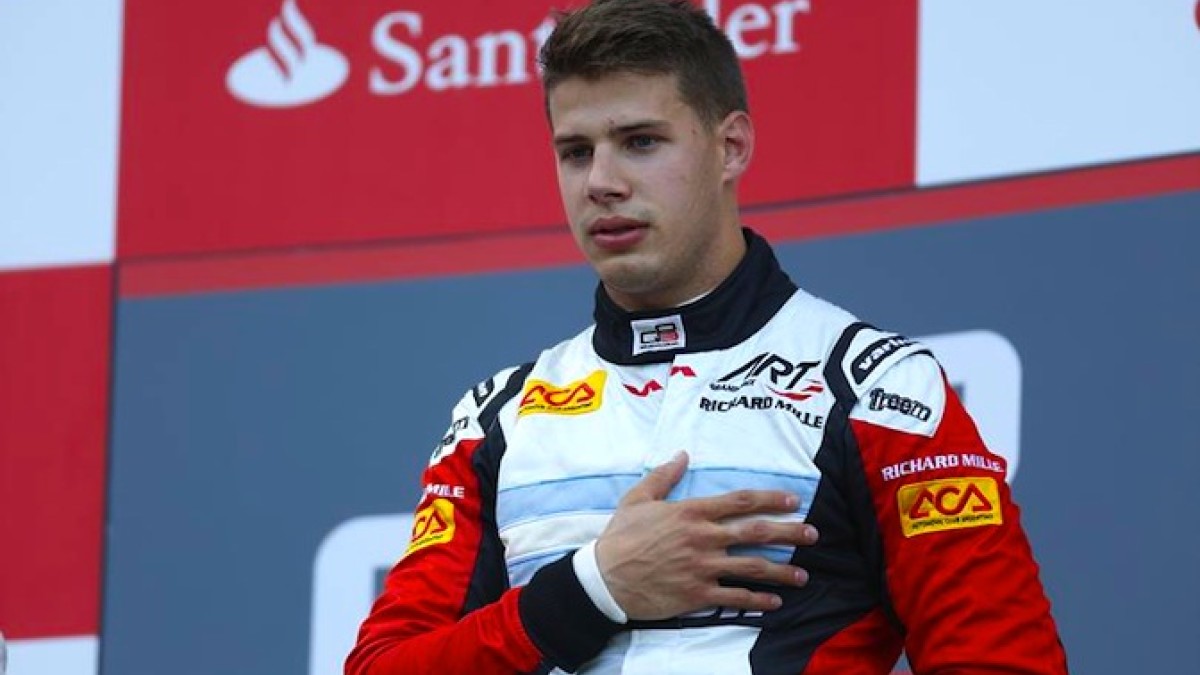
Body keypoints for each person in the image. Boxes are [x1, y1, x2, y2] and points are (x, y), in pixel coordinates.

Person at [347, 0, 1068, 672]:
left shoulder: (876, 388)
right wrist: (591, 588)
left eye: (640, 142)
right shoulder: (498, 417)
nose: (601, 181)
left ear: (731, 147)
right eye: (575, 151)